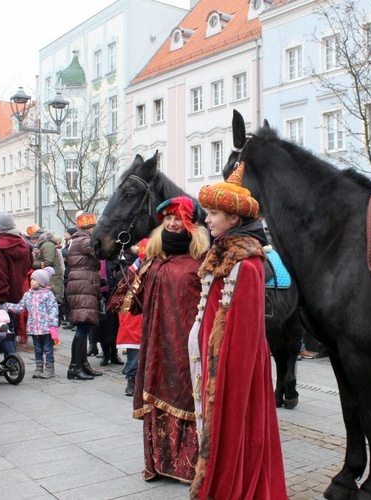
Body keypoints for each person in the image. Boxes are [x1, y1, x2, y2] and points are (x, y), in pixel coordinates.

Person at [190, 165, 287, 498]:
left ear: (233, 219)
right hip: (219, 362)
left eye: (213, 213)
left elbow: (244, 334)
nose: (207, 219)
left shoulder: (245, 263)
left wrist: (225, 376)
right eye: (208, 212)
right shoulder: (221, 256)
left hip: (233, 368)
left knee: (235, 428)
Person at [132, 196, 209, 483]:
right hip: (156, 343)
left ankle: (187, 467)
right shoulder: (153, 258)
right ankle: (157, 464)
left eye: (180, 218)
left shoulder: (201, 259)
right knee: (157, 394)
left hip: (188, 346)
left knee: (188, 397)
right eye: (169, 218)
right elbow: (134, 303)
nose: (174, 223)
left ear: (192, 223)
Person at [0, 212, 33, 356]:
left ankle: (11, 360)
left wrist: (0, 300)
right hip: (18, 293)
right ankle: (11, 360)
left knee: (2, 329)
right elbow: (29, 266)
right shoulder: (23, 244)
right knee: (10, 327)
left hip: (1, 297)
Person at [65, 213, 103, 380]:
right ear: (90, 228)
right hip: (82, 286)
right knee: (81, 328)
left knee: (85, 327)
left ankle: (83, 364)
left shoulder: (78, 238)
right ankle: (75, 367)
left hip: (83, 285)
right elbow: (99, 251)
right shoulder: (83, 240)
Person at [5, 267, 59, 378]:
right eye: (31, 279)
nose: (31, 281)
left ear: (41, 282)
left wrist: (53, 326)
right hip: (34, 329)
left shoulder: (48, 295)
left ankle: (49, 369)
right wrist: (5, 306)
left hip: (46, 329)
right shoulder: (27, 295)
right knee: (37, 349)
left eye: (34, 280)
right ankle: (38, 368)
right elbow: (20, 307)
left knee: (48, 349)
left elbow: (53, 311)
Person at [116, 239, 149, 397]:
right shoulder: (133, 271)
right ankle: (132, 380)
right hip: (135, 317)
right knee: (135, 351)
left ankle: (140, 381)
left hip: (143, 317)